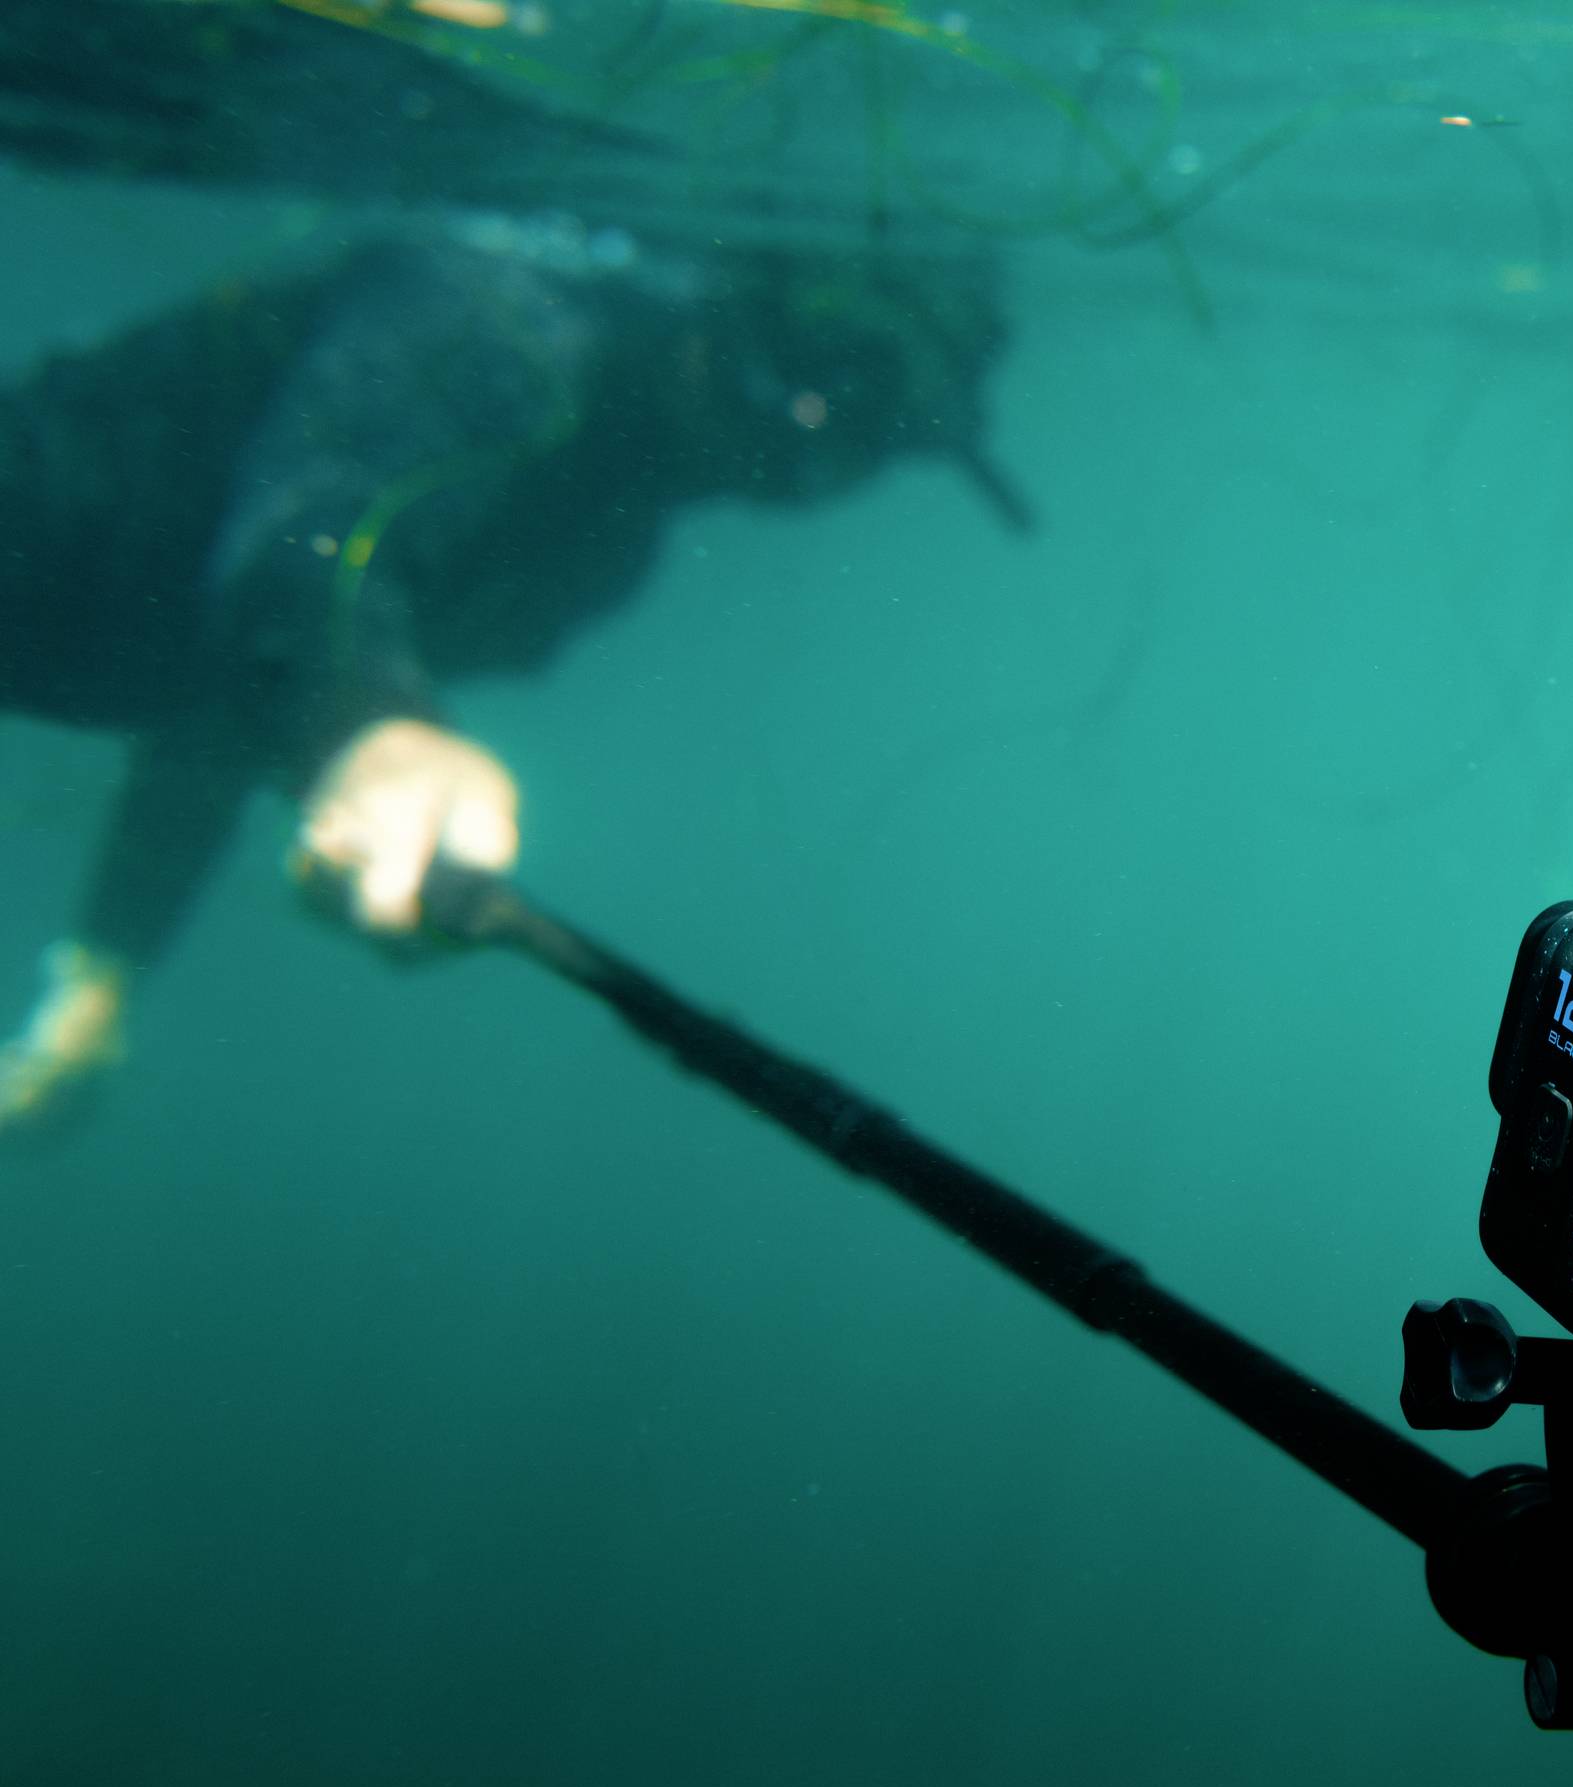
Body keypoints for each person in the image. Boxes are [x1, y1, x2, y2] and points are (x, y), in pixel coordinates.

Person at [0, 217, 1021, 1136]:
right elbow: (305, 541)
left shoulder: (599, 552)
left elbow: (227, 705)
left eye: (877, 446)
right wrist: (374, 724)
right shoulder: (505, 325)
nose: (818, 476)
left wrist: (97, 983)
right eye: (830, 404)